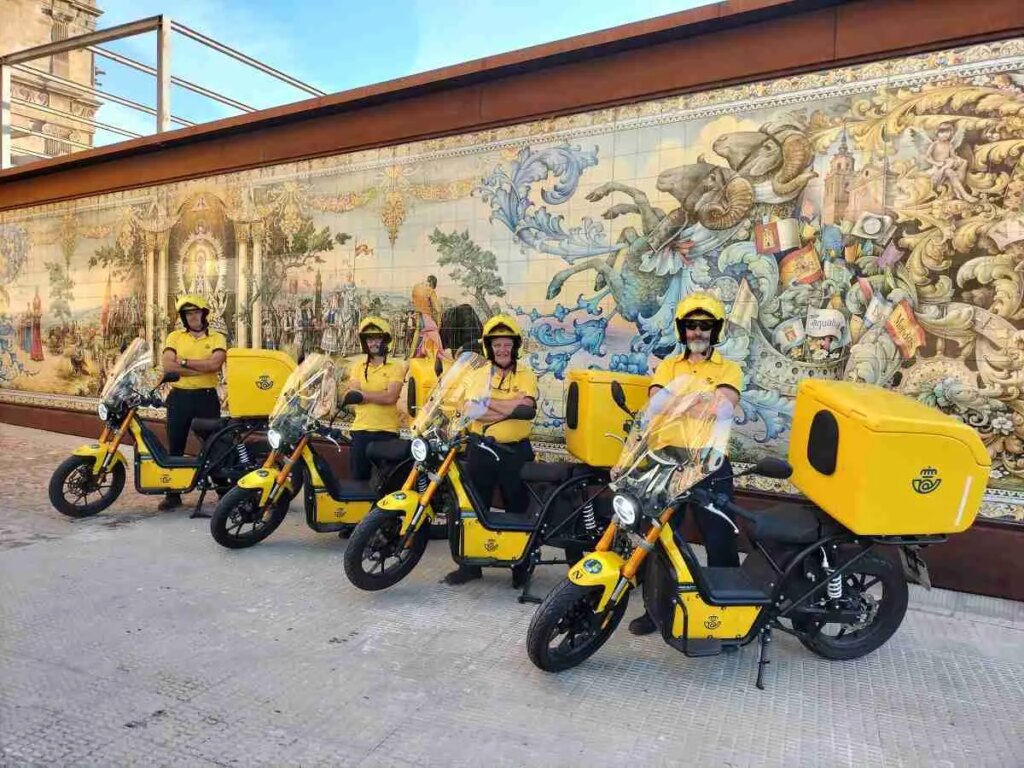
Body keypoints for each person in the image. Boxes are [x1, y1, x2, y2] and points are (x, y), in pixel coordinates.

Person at [628, 292, 743, 636]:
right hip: (668, 461)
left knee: (719, 538)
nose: (698, 332)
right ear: (682, 330)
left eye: (705, 325)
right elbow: (655, 405)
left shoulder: (729, 368)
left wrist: (676, 401)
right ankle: (655, 610)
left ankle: (727, 609)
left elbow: (722, 408)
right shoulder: (668, 366)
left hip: (710, 463)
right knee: (658, 537)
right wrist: (700, 400)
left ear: (715, 330)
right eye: (691, 325)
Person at [443, 315, 538, 585]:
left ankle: (520, 567)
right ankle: (469, 566)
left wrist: (488, 402)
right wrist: (510, 404)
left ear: (515, 346)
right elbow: (472, 410)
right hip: (481, 449)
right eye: (497, 345)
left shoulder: (526, 374)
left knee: (518, 507)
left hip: (515, 452)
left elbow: (526, 408)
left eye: (507, 344)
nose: (502, 350)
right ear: (489, 347)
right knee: (473, 507)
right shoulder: (478, 374)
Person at [159, 295, 227, 512]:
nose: (193, 317)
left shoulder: (217, 338)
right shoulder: (175, 337)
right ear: (184, 317)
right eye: (188, 314)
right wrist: (199, 369)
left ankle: (224, 492)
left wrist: (183, 362)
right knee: (175, 446)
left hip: (206, 398)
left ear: (204, 314)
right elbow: (168, 366)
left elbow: (215, 364)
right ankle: (173, 494)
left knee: (213, 445)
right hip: (179, 398)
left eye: (196, 312)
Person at [346, 317, 406, 482]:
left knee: (386, 484)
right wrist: (380, 394)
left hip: (387, 433)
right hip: (360, 432)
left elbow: (391, 397)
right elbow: (354, 395)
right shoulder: (358, 367)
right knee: (359, 482)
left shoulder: (396, 367)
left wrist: (364, 395)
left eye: (377, 338)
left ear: (385, 340)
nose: (373, 343)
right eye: (369, 339)